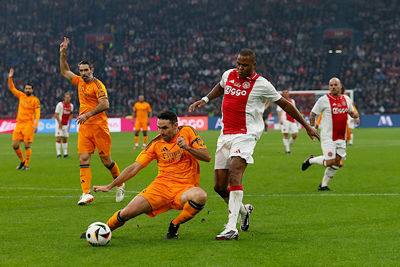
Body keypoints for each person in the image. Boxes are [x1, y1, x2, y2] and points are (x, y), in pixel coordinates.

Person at [189, 48, 319, 240]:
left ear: (253, 65)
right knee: (218, 186)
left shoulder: (262, 84)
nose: (240, 68)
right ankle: (244, 211)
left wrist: (307, 125)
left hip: (246, 134)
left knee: (235, 171)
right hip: (225, 135)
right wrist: (205, 99)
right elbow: (221, 86)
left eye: (244, 65)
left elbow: (285, 104)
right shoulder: (229, 74)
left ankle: (231, 227)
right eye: (238, 64)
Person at [87, 111, 211, 239]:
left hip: (185, 188)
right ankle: (103, 230)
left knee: (200, 196)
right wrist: (111, 185)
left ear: (175, 126)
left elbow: (207, 157)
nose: (161, 132)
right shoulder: (155, 144)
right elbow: (134, 167)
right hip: (160, 188)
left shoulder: (187, 132)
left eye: (165, 128)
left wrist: (187, 147)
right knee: (127, 213)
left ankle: (174, 224)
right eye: (159, 128)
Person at [59, 37, 124, 205]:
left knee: (106, 161)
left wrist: (87, 115)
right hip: (85, 128)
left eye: (86, 70)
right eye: (81, 70)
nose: (83, 73)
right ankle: (86, 193)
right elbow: (65, 72)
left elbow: (105, 104)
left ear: (92, 69)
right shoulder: (79, 81)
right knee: (83, 159)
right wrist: (62, 53)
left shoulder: (98, 85)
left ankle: (120, 182)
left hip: (99, 127)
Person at [301, 77, 359, 191]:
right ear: (329, 87)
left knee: (336, 162)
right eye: (331, 85)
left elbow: (351, 112)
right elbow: (313, 114)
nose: (333, 87)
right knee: (329, 162)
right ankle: (310, 160)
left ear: (340, 86)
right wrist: (312, 128)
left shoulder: (346, 99)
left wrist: (355, 116)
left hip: (341, 137)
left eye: (335, 85)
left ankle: (323, 185)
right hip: (328, 137)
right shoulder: (324, 100)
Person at [8, 68, 40, 171]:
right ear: (24, 89)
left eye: (29, 89)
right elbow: (12, 88)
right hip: (19, 124)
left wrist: (36, 124)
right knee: (15, 145)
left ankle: (26, 165)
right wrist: (10, 77)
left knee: (27, 145)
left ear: (32, 90)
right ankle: (22, 161)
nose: (27, 90)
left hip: (28, 125)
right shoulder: (21, 96)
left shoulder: (35, 100)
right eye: (26, 88)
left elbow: (37, 113)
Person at [277, 89, 298, 154]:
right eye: (284, 93)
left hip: (292, 119)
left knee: (295, 135)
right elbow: (279, 111)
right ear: (282, 94)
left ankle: (287, 146)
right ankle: (288, 150)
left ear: (288, 93)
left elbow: (294, 110)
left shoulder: (292, 101)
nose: (286, 94)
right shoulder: (280, 101)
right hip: (285, 120)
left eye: (287, 92)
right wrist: (280, 119)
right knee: (286, 134)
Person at [54, 92, 74, 158]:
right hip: (59, 123)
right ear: (64, 98)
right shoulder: (60, 105)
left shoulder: (71, 106)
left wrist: (70, 124)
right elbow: (56, 114)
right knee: (59, 137)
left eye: (68, 97)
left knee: (65, 138)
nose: (67, 99)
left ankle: (65, 154)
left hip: (66, 124)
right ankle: (58, 154)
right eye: (66, 97)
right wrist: (59, 123)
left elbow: (71, 114)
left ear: (70, 98)